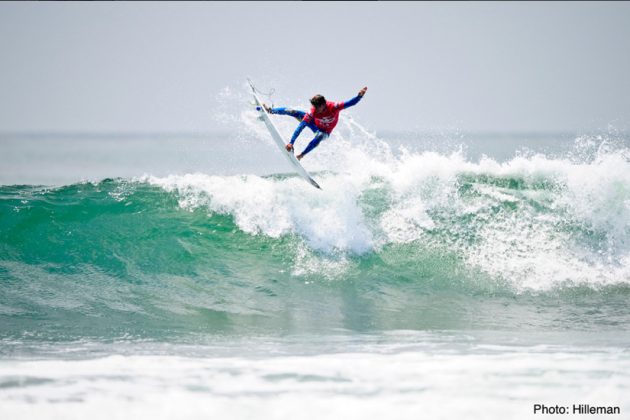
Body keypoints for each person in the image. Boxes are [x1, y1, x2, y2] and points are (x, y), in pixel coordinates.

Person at [263, 87, 368, 160]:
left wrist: (359, 96)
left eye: (317, 107)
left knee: (319, 136)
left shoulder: (334, 107)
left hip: (324, 132)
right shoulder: (313, 111)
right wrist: (291, 142)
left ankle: (301, 155)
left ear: (324, 104)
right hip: (314, 124)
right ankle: (271, 111)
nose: (315, 109)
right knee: (292, 111)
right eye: (314, 107)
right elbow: (301, 126)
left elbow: (351, 103)